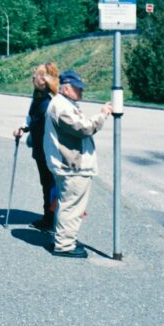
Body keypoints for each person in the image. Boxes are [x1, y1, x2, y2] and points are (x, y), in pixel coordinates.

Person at [44, 70, 112, 258]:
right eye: (77, 88)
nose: (81, 92)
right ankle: (64, 245)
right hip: (72, 166)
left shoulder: (62, 103)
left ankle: (61, 239)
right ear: (66, 88)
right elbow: (84, 128)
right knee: (72, 207)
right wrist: (102, 115)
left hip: (67, 165)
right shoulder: (62, 106)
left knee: (66, 204)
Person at [13, 62, 59, 231]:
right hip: (40, 147)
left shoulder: (51, 100)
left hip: (50, 149)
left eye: (37, 75)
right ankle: (49, 217)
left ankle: (52, 219)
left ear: (45, 80)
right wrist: (23, 128)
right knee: (46, 183)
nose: (33, 77)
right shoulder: (38, 96)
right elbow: (32, 117)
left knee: (51, 183)